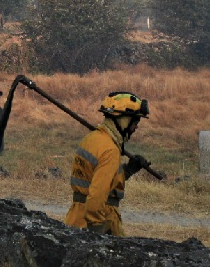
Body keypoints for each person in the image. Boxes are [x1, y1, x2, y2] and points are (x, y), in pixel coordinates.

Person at [64, 91, 151, 236]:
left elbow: (96, 178)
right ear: (123, 120)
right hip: (100, 221)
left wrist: (128, 170)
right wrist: (97, 234)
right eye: (135, 122)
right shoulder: (110, 150)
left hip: (76, 217)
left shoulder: (91, 139)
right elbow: (97, 197)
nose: (136, 127)